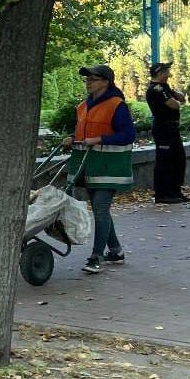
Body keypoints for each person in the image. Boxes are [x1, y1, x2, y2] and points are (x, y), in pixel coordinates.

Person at [62, 65, 136, 275]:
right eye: (87, 79)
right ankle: (116, 251)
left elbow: (128, 135)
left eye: (93, 79)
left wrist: (100, 139)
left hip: (110, 166)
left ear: (106, 82)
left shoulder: (116, 105)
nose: (88, 82)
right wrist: (71, 138)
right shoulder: (83, 106)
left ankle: (97, 256)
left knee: (100, 208)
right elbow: (84, 130)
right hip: (89, 165)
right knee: (98, 208)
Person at [145, 62, 189, 204]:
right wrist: (176, 99)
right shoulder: (156, 89)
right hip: (163, 129)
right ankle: (163, 194)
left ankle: (175, 191)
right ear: (160, 73)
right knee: (165, 161)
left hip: (172, 129)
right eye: (166, 70)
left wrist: (175, 94)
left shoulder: (165, 88)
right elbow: (174, 104)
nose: (169, 71)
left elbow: (181, 98)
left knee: (178, 159)